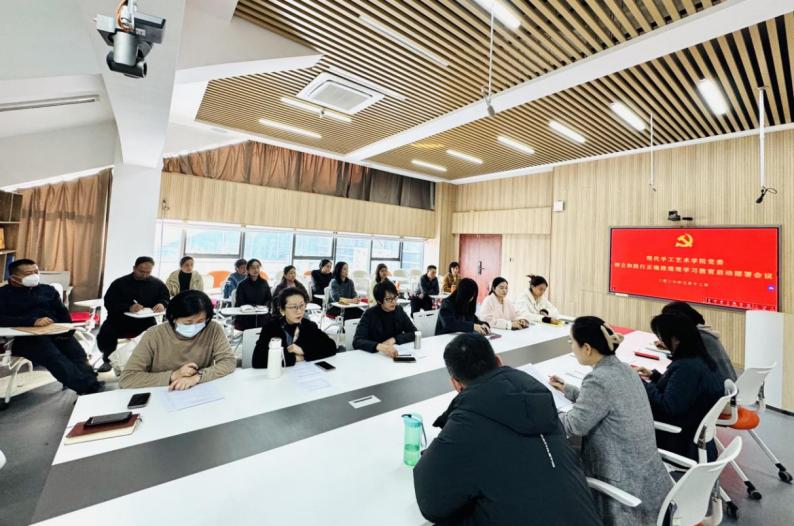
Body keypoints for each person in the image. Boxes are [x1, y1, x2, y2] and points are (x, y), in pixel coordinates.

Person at [413, 333, 602, 526]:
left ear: (455, 383)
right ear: (498, 361)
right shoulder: (540, 399)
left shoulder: (467, 423)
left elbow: (431, 504)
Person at [550, 317, 672, 525]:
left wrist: (547, 411)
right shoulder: (624, 369)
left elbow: (574, 425)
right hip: (649, 479)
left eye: (572, 341)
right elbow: (603, 402)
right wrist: (568, 390)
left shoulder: (598, 379)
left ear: (587, 348)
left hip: (621, 482)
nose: (571, 346)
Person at [0, 259, 102, 394]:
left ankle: (92, 385)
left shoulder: (47, 290)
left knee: (78, 354)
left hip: (55, 331)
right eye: (29, 273)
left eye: (36, 272)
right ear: (14, 278)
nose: (34, 276)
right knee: (55, 358)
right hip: (25, 338)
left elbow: (62, 312)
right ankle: (88, 390)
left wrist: (67, 330)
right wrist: (32, 321)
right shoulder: (3, 294)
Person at [635, 313, 724, 460]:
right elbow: (681, 390)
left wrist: (640, 383)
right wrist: (654, 376)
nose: (661, 341)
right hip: (693, 431)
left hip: (677, 438)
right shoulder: (701, 359)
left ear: (675, 340)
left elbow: (667, 406)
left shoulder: (687, 368)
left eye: (662, 337)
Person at [120, 290, 236, 390]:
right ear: (173, 318)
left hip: (199, 390)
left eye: (201, 321)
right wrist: (173, 376)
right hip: (161, 392)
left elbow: (228, 361)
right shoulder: (154, 335)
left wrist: (198, 377)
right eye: (188, 323)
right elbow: (128, 378)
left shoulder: (213, 328)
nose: (194, 326)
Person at [96, 257, 170, 373]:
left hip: (145, 321)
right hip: (119, 320)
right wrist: (128, 307)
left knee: (155, 334)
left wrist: (162, 304)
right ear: (134, 268)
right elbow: (109, 302)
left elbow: (165, 298)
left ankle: (148, 362)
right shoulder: (119, 283)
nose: (144, 275)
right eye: (141, 271)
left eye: (148, 272)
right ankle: (107, 360)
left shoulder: (157, 284)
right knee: (106, 332)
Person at [252, 287, 336, 368]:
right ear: (282, 310)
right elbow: (257, 361)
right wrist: (294, 358)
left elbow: (331, 347)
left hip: (302, 373)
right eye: (293, 307)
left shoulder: (309, 325)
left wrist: (303, 351)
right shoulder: (270, 328)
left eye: (302, 305)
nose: (299, 311)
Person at [661, 301, 737, 382]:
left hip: (718, 384)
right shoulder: (702, 332)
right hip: (724, 382)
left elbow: (684, 357)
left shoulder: (698, 335)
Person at [353, 281, 417, 357]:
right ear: (379, 301)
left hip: (395, 353)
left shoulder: (399, 310)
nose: (394, 302)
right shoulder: (369, 314)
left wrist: (394, 339)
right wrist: (379, 346)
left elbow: (415, 333)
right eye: (389, 299)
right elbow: (357, 341)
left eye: (395, 297)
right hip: (375, 356)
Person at [233, 258, 272, 331]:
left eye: (258, 267)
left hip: (261, 314)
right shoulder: (242, 285)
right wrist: (253, 308)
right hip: (246, 314)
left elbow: (269, 299)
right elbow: (240, 302)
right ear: (248, 270)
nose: (256, 270)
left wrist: (264, 308)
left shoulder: (264, 283)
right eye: (253, 268)